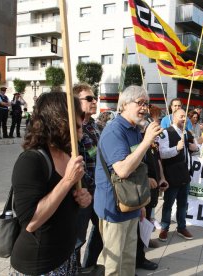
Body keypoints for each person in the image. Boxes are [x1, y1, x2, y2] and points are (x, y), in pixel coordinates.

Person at [10, 92, 92, 275]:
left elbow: (78, 197)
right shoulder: (31, 160)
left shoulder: (68, 154)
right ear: (59, 123)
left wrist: (84, 198)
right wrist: (68, 180)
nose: (81, 134)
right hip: (39, 265)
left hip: (65, 256)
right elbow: (31, 222)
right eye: (77, 127)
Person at [94, 85, 162, 275]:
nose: (145, 108)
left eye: (146, 104)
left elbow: (136, 167)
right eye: (140, 103)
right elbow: (123, 170)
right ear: (124, 104)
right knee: (114, 264)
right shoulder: (114, 131)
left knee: (128, 259)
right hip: (114, 207)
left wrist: (139, 203)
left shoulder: (134, 129)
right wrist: (147, 141)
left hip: (131, 204)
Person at [73, 84, 103, 272]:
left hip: (100, 190)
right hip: (82, 192)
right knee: (77, 239)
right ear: (76, 102)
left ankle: (88, 266)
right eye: (89, 99)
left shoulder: (96, 125)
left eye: (95, 98)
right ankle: (74, 269)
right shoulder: (72, 127)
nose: (94, 101)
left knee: (102, 231)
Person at [158, 109, 198, 242]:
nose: (184, 118)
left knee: (183, 203)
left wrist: (193, 147)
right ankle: (164, 227)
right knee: (168, 203)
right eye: (181, 116)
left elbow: (191, 150)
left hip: (185, 173)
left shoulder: (185, 133)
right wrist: (176, 148)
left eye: (185, 116)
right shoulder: (166, 132)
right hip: (172, 174)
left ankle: (182, 227)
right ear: (173, 118)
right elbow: (162, 153)